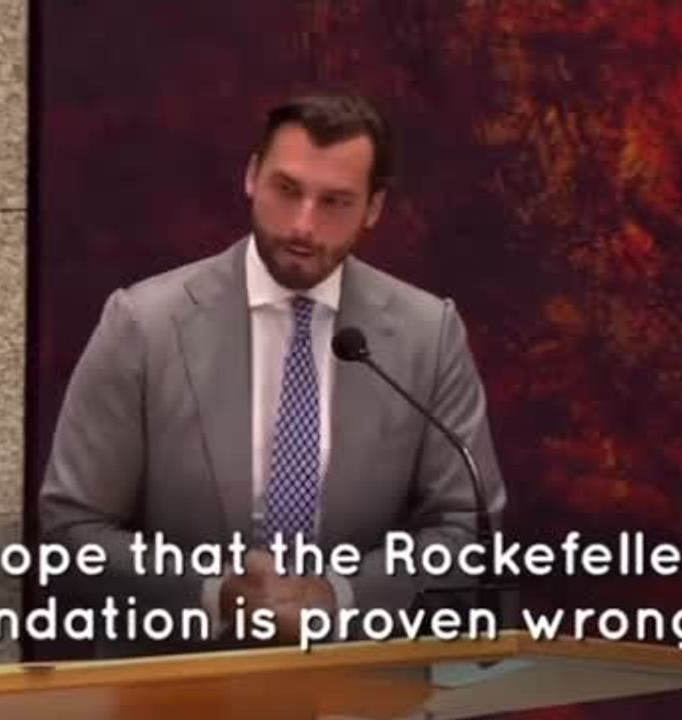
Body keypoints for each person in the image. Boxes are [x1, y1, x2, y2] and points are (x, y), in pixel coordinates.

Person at [39, 93, 506, 657]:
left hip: (359, 679)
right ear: (252, 176)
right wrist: (213, 596)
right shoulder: (143, 324)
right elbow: (71, 529)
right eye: (286, 190)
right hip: (176, 680)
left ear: (373, 208)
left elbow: (465, 528)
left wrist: (338, 599)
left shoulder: (428, 333)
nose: (303, 225)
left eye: (335, 202)